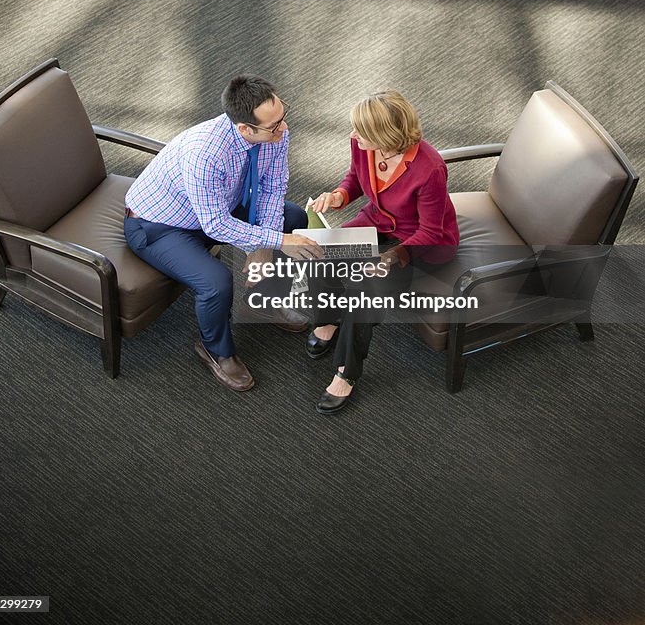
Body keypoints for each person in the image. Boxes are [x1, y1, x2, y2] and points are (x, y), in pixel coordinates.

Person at [124, 75, 322, 393]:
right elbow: (215, 226)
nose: (283, 130)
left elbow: (272, 188)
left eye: (283, 117)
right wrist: (276, 241)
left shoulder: (273, 131)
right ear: (245, 128)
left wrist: (263, 246)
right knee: (216, 282)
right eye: (274, 127)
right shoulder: (205, 154)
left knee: (294, 216)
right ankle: (215, 349)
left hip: (220, 207)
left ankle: (263, 299)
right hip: (160, 226)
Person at [310, 90, 459, 414]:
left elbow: (431, 232)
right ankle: (328, 319)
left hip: (419, 245)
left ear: (385, 136)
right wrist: (338, 197)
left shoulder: (429, 168)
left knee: (364, 290)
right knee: (323, 253)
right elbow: (355, 181)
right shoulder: (362, 144)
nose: (353, 135)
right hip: (379, 221)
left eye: (360, 131)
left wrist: (389, 259)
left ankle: (347, 372)